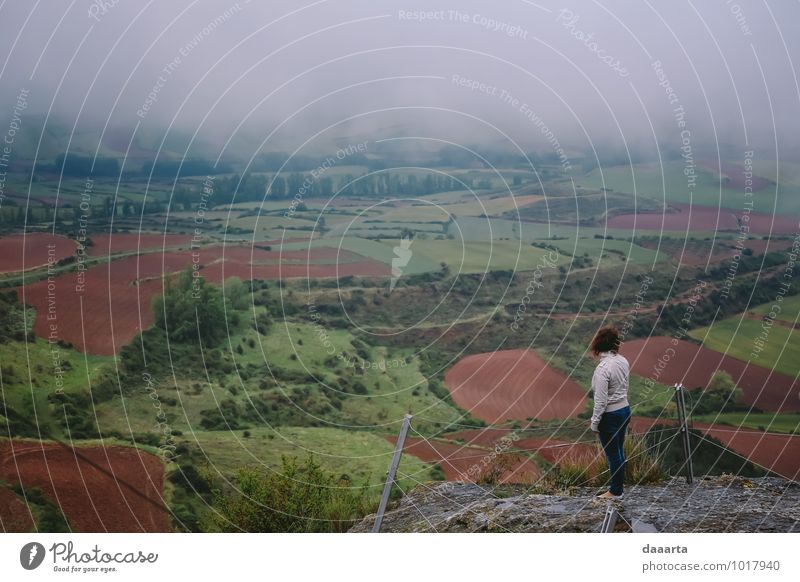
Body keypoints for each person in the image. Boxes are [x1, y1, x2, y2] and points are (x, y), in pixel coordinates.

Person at [589, 326, 631, 499]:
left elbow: (600, 401)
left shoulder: (602, 369)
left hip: (610, 416)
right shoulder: (623, 360)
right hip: (625, 410)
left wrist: (594, 422)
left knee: (613, 454)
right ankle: (618, 487)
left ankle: (615, 491)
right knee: (619, 451)